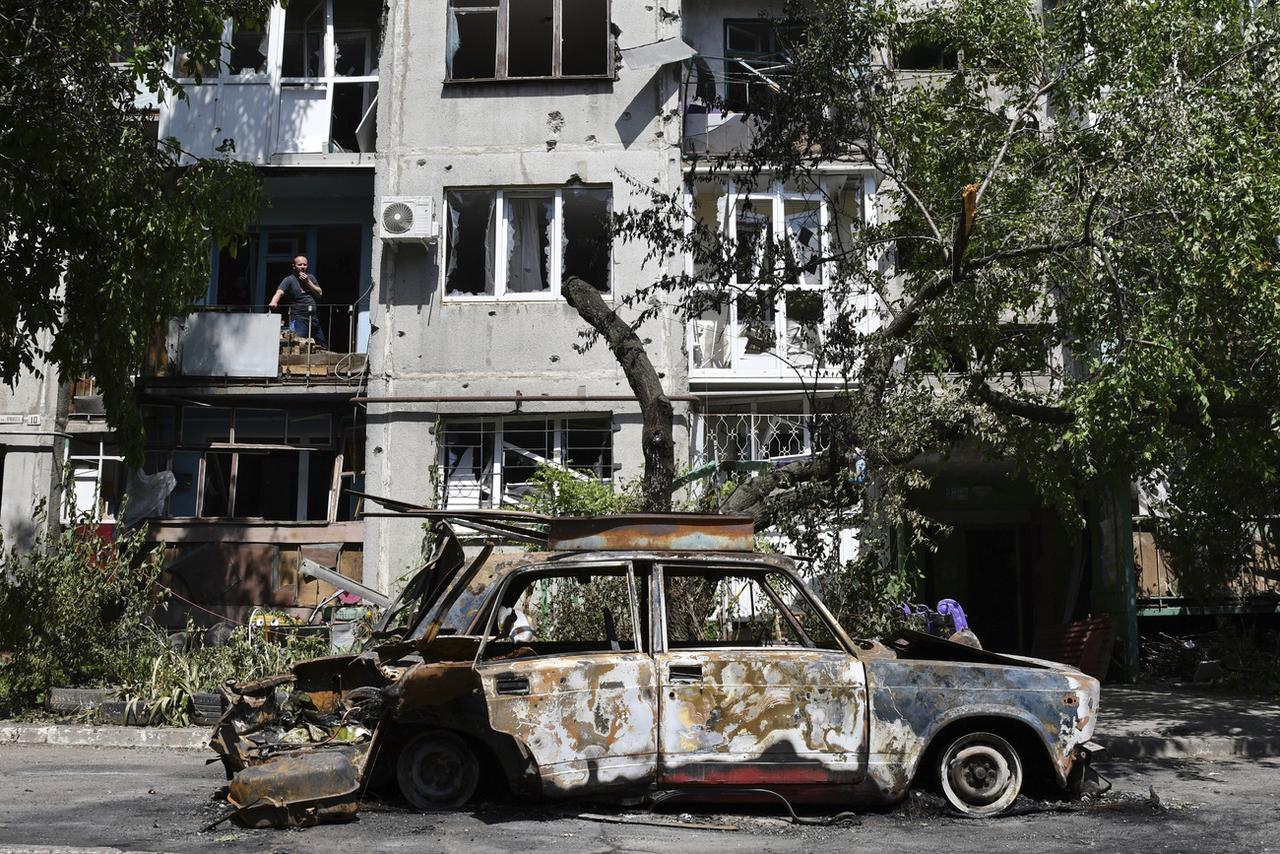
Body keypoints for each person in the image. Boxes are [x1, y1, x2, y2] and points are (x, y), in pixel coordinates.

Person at [269, 255, 326, 348]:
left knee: (321, 344)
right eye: (300, 264)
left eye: (305, 264)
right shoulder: (289, 279)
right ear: (294, 266)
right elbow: (279, 292)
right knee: (299, 343)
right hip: (298, 317)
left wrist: (308, 282)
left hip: (313, 318)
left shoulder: (310, 277)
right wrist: (274, 302)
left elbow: (319, 294)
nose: (303, 267)